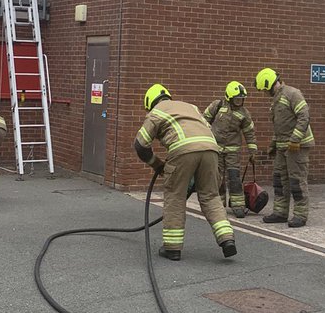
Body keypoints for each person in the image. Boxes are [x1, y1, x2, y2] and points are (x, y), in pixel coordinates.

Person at [134, 84, 236, 261]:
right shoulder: (190, 107)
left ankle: (172, 248)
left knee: (175, 195)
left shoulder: (156, 112)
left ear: (150, 102)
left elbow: (140, 145)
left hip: (182, 150)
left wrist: (158, 165)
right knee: (210, 196)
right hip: (211, 149)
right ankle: (227, 238)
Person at [254, 67, 314, 228]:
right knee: (279, 180)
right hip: (283, 146)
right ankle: (280, 212)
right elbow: (280, 125)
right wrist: (273, 144)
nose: (264, 94)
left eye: (264, 90)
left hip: (298, 147)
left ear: (269, 84)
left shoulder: (292, 94)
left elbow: (304, 116)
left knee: (296, 181)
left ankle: (300, 215)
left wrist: (295, 140)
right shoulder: (276, 100)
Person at [203, 81, 258, 218]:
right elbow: (203, 121)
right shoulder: (217, 106)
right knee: (217, 178)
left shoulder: (244, 114)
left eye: (241, 99)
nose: (239, 101)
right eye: (237, 99)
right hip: (216, 149)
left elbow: (249, 133)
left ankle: (238, 205)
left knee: (234, 178)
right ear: (229, 97)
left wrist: (253, 151)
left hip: (232, 152)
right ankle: (218, 205)